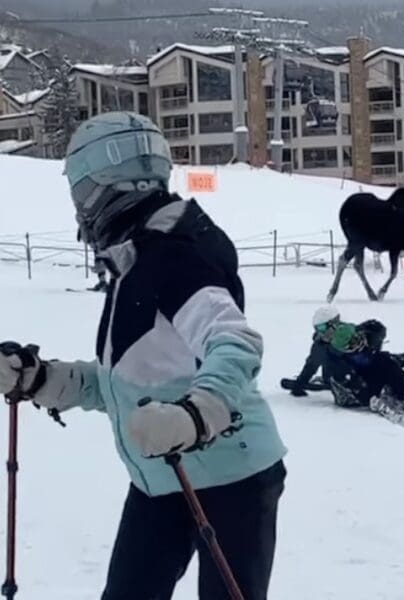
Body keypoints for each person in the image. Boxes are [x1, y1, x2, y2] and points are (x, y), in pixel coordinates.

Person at [0, 112, 287, 599]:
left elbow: (236, 343)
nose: (79, 209)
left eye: (81, 192)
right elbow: (129, 380)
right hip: (161, 474)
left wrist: (195, 417)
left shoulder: (176, 256)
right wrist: (44, 379)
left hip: (234, 475)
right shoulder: (133, 261)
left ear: (107, 187)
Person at [290, 307, 404, 417]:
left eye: (323, 327)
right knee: (343, 369)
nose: (321, 333)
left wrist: (399, 359)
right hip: (346, 388)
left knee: (386, 362)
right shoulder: (321, 347)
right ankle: (373, 400)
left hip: (365, 376)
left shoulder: (352, 332)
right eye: (318, 329)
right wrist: (299, 386)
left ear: (334, 323)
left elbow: (373, 356)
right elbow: (311, 366)